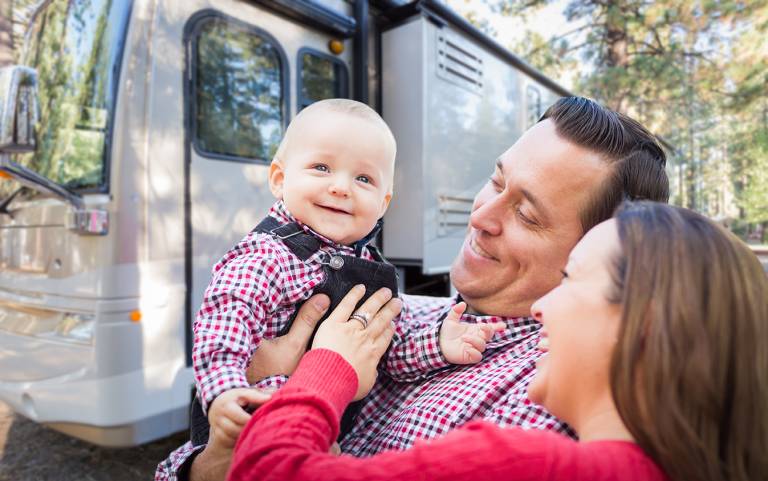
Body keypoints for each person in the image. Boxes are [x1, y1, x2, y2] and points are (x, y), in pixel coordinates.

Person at [156, 97, 670, 480]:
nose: (482, 215)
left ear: (600, 248)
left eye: (528, 216)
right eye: (495, 181)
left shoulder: (545, 398)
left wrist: (317, 371)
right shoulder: (430, 314)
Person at [228, 201, 768, 481]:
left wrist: (326, 366)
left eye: (570, 279)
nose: (540, 309)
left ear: (642, 325)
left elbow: (267, 474)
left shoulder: (526, 465)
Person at [157, 99, 501, 480]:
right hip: (250, 422)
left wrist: (437, 344)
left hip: (319, 439)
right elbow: (224, 324)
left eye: (364, 179)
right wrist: (225, 391)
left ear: (383, 203)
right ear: (279, 179)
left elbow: (385, 350)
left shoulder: (373, 269)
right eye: (321, 167)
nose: (340, 187)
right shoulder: (267, 255)